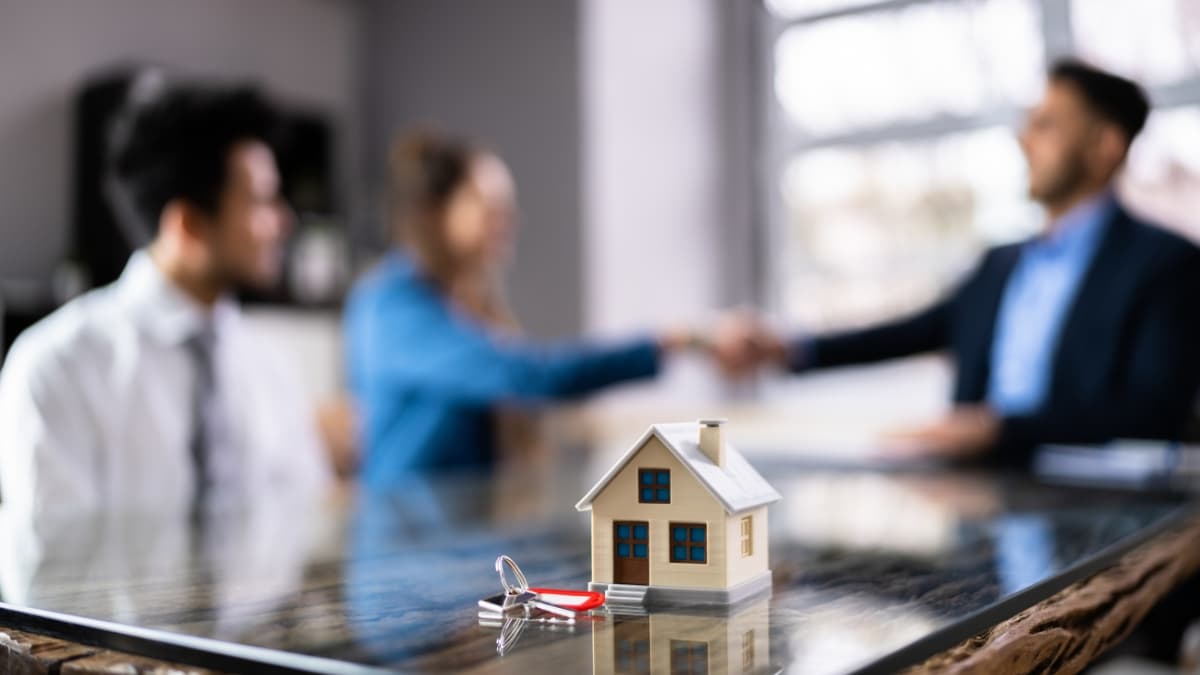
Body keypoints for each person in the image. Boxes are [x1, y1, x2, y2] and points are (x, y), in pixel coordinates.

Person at [762, 59, 1200, 462]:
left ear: (1104, 145)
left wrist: (1001, 430)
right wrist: (786, 348)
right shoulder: (1001, 264)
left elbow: (1153, 410)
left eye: (1045, 125)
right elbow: (909, 332)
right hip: (980, 503)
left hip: (1102, 512)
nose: (1022, 139)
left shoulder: (1167, 264)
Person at [344, 131, 757, 482]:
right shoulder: (390, 308)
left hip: (459, 535)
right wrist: (680, 339)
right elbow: (530, 375)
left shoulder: (466, 304)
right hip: (405, 547)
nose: (507, 221)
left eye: (506, 209)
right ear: (434, 213)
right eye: (489, 208)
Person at [0, 83, 331, 520]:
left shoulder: (270, 363)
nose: (284, 221)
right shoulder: (57, 367)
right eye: (262, 201)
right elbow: (57, 572)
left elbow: (306, 522)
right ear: (188, 225)